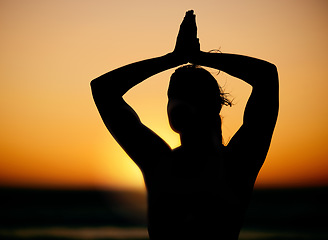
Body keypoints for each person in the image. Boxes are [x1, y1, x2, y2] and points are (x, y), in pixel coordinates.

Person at [91, 10, 279, 240]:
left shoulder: (239, 161)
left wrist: (198, 56)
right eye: (172, 94)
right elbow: (102, 89)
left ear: (212, 105)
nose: (176, 102)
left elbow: (267, 76)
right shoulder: (159, 160)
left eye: (186, 94)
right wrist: (174, 58)